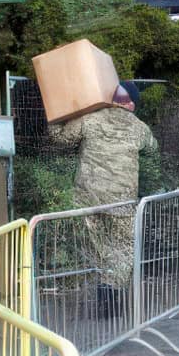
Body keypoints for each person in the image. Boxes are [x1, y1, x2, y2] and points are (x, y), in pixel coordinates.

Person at [48, 81, 158, 319]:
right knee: (123, 249)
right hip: (121, 202)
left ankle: (100, 294)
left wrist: (56, 115)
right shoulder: (139, 128)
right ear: (131, 103)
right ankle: (113, 296)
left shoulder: (89, 119)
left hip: (88, 199)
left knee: (96, 248)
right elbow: (152, 149)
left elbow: (61, 138)